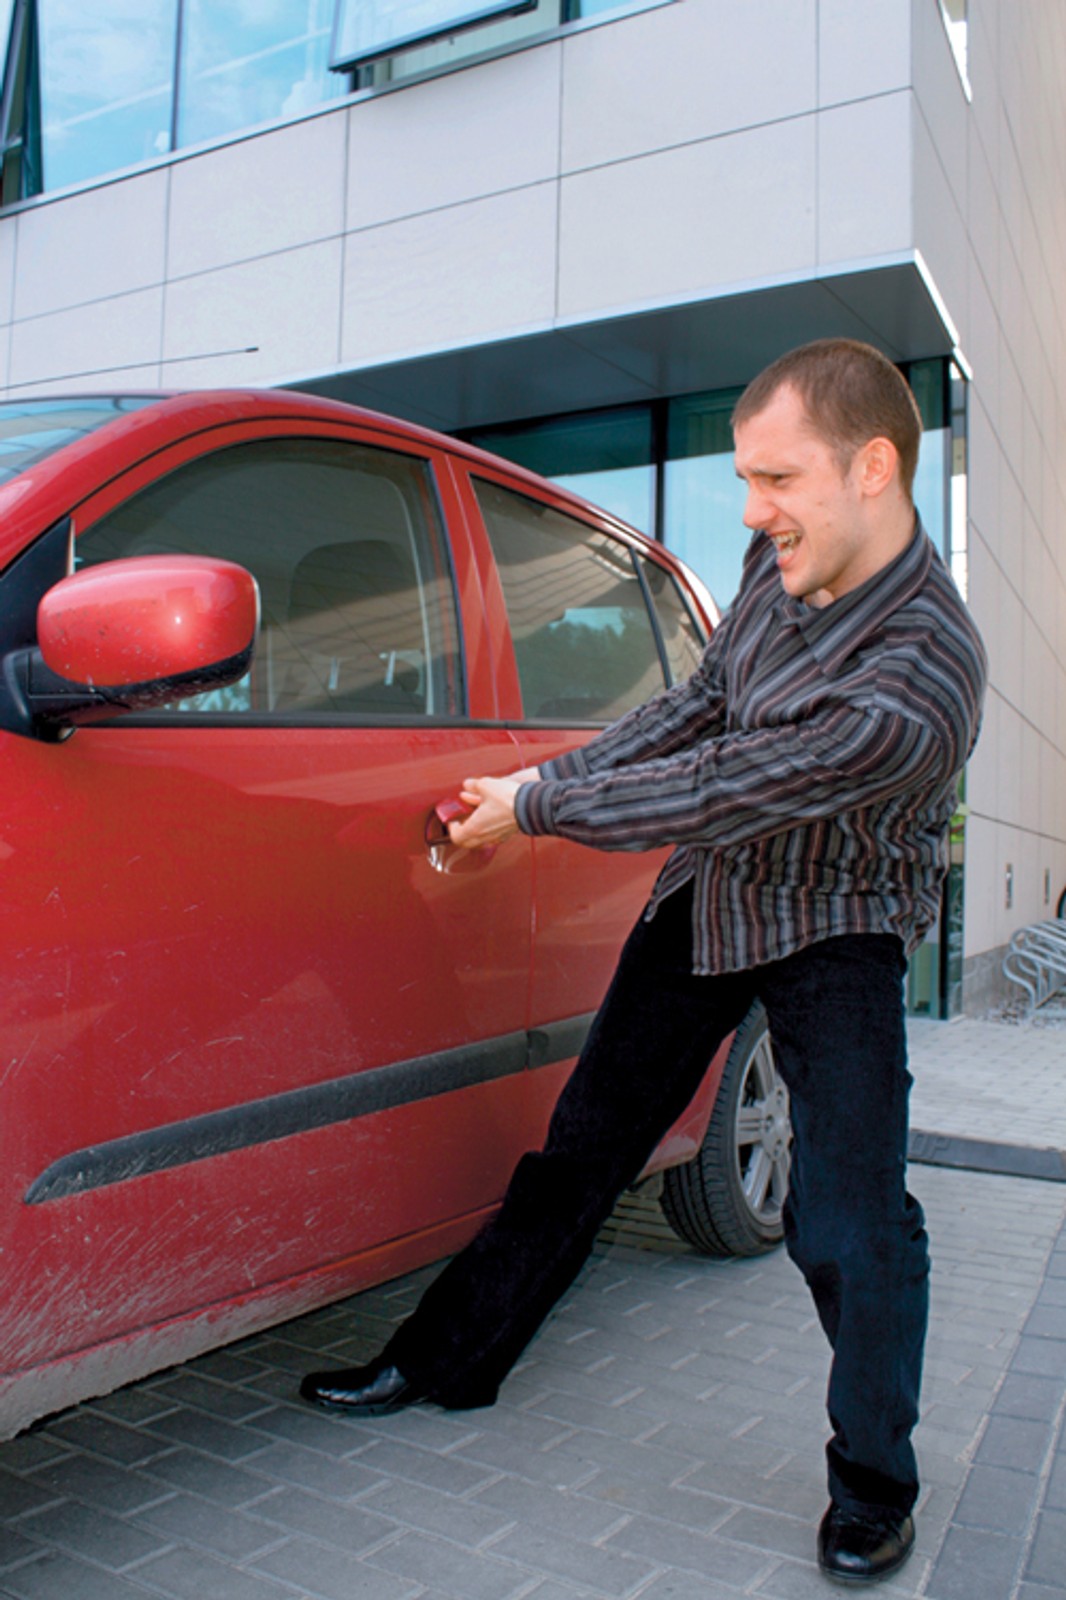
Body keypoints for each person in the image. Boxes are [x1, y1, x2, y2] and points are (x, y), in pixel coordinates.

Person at [300, 339, 987, 1585]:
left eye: (776, 478)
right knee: (581, 1149)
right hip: (709, 901)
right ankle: (445, 1360)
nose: (749, 508)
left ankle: (874, 1483)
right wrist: (546, 779)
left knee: (850, 1221)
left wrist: (536, 817)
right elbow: (697, 709)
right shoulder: (780, 567)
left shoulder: (926, 673)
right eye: (741, 477)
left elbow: (730, 783)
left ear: (874, 468)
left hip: (834, 923)